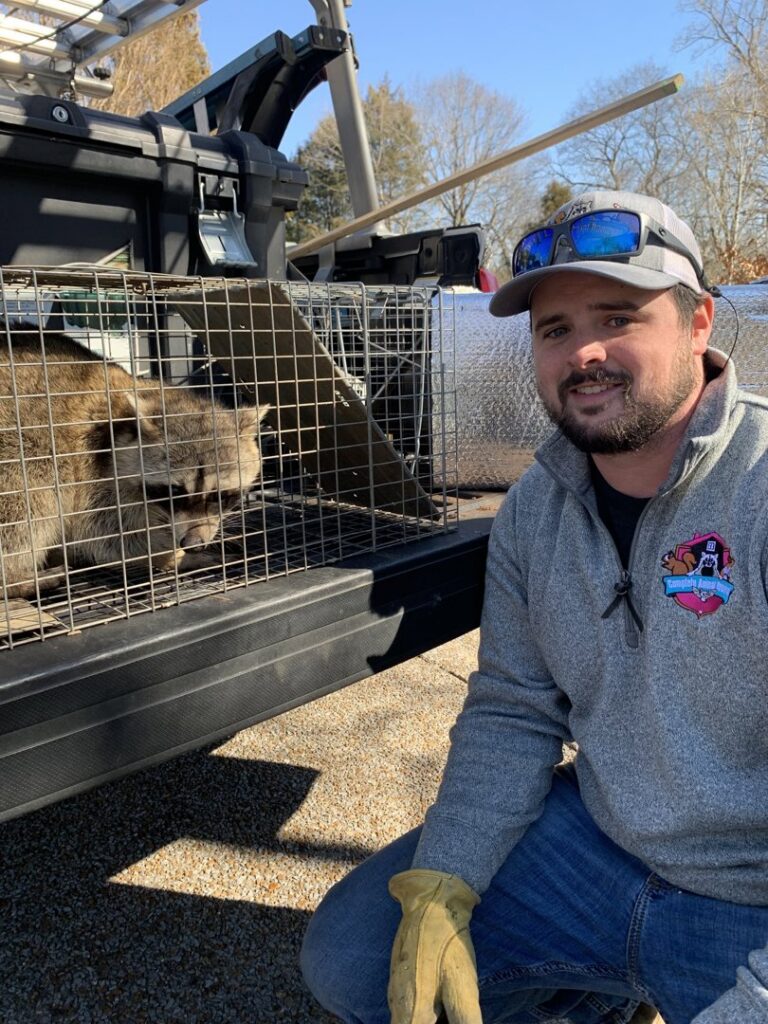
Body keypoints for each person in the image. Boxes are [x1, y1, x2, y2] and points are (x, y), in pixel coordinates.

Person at [300, 190, 768, 1024]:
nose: (583, 351)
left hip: (745, 901)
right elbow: (514, 709)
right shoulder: (533, 510)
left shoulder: (761, 488)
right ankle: (598, 999)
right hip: (595, 849)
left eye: (618, 316)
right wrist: (449, 877)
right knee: (356, 956)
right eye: (554, 329)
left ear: (699, 324)